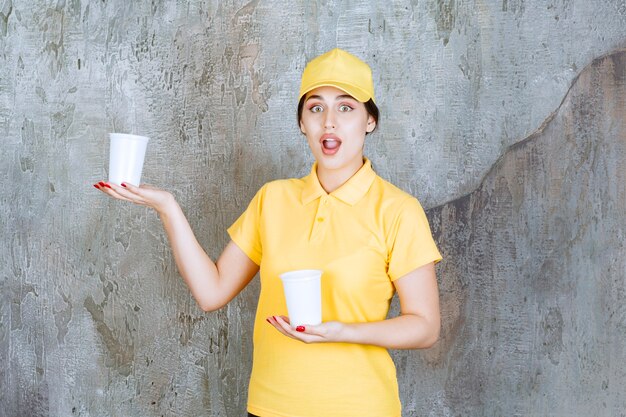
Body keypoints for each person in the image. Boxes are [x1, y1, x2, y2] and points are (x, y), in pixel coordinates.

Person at [95, 48, 442, 417]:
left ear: (369, 120)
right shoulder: (273, 199)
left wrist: (342, 331)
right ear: (301, 123)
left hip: (360, 407)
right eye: (315, 108)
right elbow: (211, 292)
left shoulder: (398, 210)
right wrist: (167, 207)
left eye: (346, 107)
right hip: (269, 405)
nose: (329, 122)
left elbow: (425, 326)